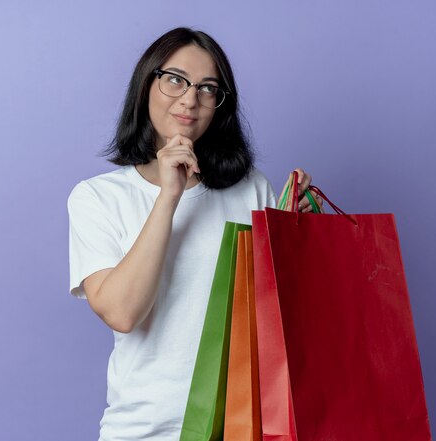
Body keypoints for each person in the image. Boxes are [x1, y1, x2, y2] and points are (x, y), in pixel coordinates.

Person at [68, 27, 321, 441]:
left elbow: (285, 319)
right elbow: (122, 313)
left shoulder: (251, 188)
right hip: (144, 430)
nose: (190, 99)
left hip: (244, 427)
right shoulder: (97, 197)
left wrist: (300, 232)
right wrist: (169, 196)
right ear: (146, 83)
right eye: (175, 80)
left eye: (208, 88)